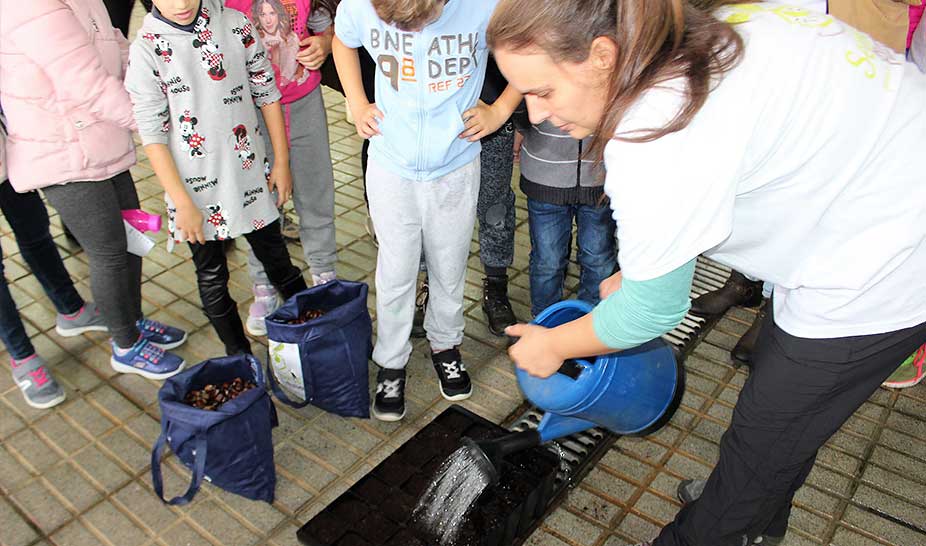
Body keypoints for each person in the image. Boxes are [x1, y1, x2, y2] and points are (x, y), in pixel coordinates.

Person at [489, 2, 926, 546]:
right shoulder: (708, 29)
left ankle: (727, 520)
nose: (533, 115)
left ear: (603, 56)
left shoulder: (655, 130)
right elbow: (733, 160)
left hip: (885, 262)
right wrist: (654, 267)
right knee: (785, 421)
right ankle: (759, 520)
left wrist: (554, 346)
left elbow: (652, 311)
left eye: (544, 91)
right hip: (873, 198)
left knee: (762, 438)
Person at [332, 0, 521, 421]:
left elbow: (529, 46)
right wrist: (357, 101)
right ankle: (391, 360)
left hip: (454, 165)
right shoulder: (360, 6)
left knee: (449, 263)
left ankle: (445, 343)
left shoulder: (486, 6)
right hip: (390, 164)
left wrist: (501, 109)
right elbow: (343, 42)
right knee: (396, 270)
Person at [0, 0, 188, 381]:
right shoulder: (29, 5)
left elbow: (115, 44)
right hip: (62, 150)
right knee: (110, 251)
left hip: (101, 137)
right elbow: (84, 82)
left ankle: (131, 322)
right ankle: (125, 344)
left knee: (132, 238)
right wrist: (152, 127)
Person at [126, 0, 308, 356]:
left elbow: (267, 94)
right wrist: (181, 202)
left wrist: (282, 162)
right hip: (193, 193)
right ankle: (239, 357)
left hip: (249, 175)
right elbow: (152, 135)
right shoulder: (146, 48)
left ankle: (313, 333)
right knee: (211, 276)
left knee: (278, 261)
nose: (180, 4)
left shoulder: (236, 24)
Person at [225, 0, 339, 337]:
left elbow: (328, 26)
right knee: (260, 201)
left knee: (317, 194)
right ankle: (263, 283)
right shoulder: (225, 5)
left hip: (304, 105)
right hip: (251, 112)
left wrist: (326, 42)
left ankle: (324, 274)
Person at [513, 107, 616, 319]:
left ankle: (591, 324)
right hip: (545, 173)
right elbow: (521, 103)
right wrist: (520, 128)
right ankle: (545, 322)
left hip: (601, 175)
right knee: (547, 261)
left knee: (598, 257)